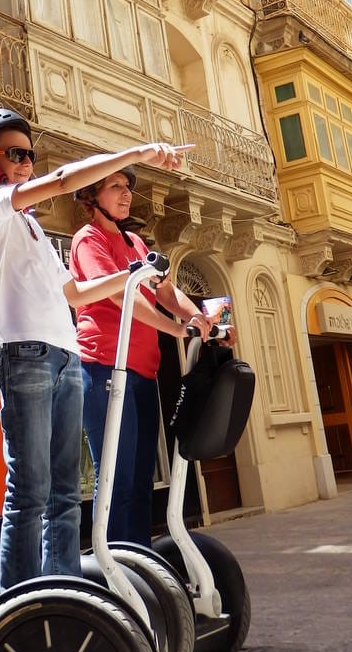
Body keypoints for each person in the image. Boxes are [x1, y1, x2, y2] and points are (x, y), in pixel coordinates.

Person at [0, 107, 191, 591]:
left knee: (65, 494)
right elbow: (62, 181)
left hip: (65, 356)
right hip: (24, 352)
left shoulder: (34, 228)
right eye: (15, 153)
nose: (26, 162)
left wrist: (135, 275)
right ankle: (18, 603)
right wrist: (141, 153)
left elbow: (75, 294)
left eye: (30, 154)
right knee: (30, 490)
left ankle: (62, 595)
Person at [70, 166, 236, 547]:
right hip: (105, 368)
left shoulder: (136, 244)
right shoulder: (88, 239)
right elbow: (118, 295)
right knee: (117, 475)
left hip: (143, 372)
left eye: (128, 187)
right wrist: (176, 329)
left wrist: (197, 317)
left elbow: (164, 292)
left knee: (143, 476)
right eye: (115, 187)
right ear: (91, 197)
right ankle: (112, 565)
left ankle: (139, 560)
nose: (126, 193)